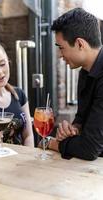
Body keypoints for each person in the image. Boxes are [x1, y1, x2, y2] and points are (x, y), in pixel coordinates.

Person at [40, 7, 103, 161]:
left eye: (62, 48)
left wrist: (51, 142)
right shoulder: (85, 71)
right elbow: (82, 118)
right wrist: (73, 129)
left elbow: (89, 149)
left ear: (80, 44)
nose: (60, 55)